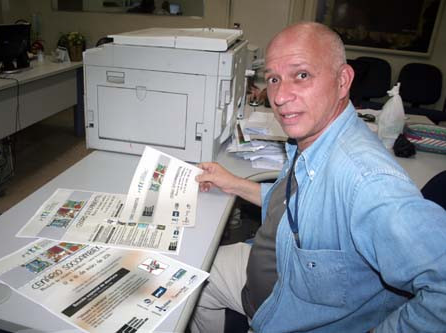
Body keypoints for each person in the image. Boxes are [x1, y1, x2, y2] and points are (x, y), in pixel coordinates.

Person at [189, 22, 446, 332]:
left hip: (287, 313)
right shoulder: (314, 137)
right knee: (194, 274)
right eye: (273, 78)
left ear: (343, 80)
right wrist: (232, 183)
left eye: (302, 75)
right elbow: (290, 202)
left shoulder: (369, 182)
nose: (280, 96)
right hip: (278, 270)